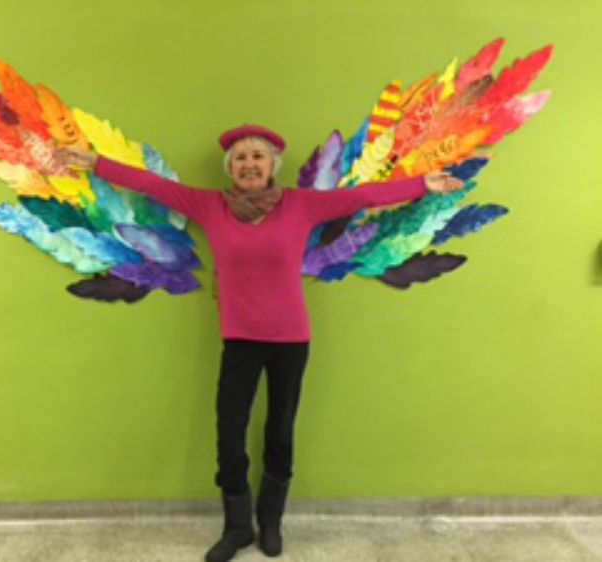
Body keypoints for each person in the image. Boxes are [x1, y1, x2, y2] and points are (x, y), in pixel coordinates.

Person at [59, 124, 462, 562]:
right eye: (240, 158)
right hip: (239, 339)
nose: (249, 164)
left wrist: (424, 184)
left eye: (257, 156)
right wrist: (97, 163)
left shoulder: (302, 205)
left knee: (280, 432)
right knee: (229, 436)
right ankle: (237, 528)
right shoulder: (210, 206)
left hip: (291, 339)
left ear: (273, 165)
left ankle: (271, 523)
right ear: (230, 169)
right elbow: (150, 184)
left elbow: (364, 197)